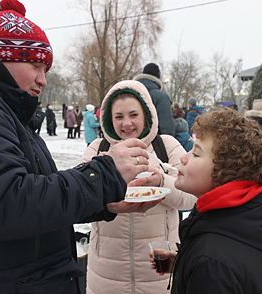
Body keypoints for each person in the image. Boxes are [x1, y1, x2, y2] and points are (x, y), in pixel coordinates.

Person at [0, 1, 161, 293]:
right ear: (1, 58)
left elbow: (32, 197)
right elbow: (5, 205)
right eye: (36, 65)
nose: (43, 79)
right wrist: (104, 175)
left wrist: (103, 199)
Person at [149, 108, 262, 293]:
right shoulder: (249, 225)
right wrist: (184, 264)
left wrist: (202, 266)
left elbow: (220, 267)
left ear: (224, 174)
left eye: (196, 153)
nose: (183, 157)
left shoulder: (212, 262)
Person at [80, 80, 196, 294]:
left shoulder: (167, 146)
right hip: (106, 271)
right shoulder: (98, 149)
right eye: (119, 117)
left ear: (147, 116)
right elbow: (80, 199)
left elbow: (191, 197)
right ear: (108, 119)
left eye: (134, 115)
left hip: (159, 268)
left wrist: (161, 182)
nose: (127, 124)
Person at [133, 63, 175, 136]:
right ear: (157, 77)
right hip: (153, 143)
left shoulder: (130, 93)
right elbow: (167, 126)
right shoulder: (161, 96)